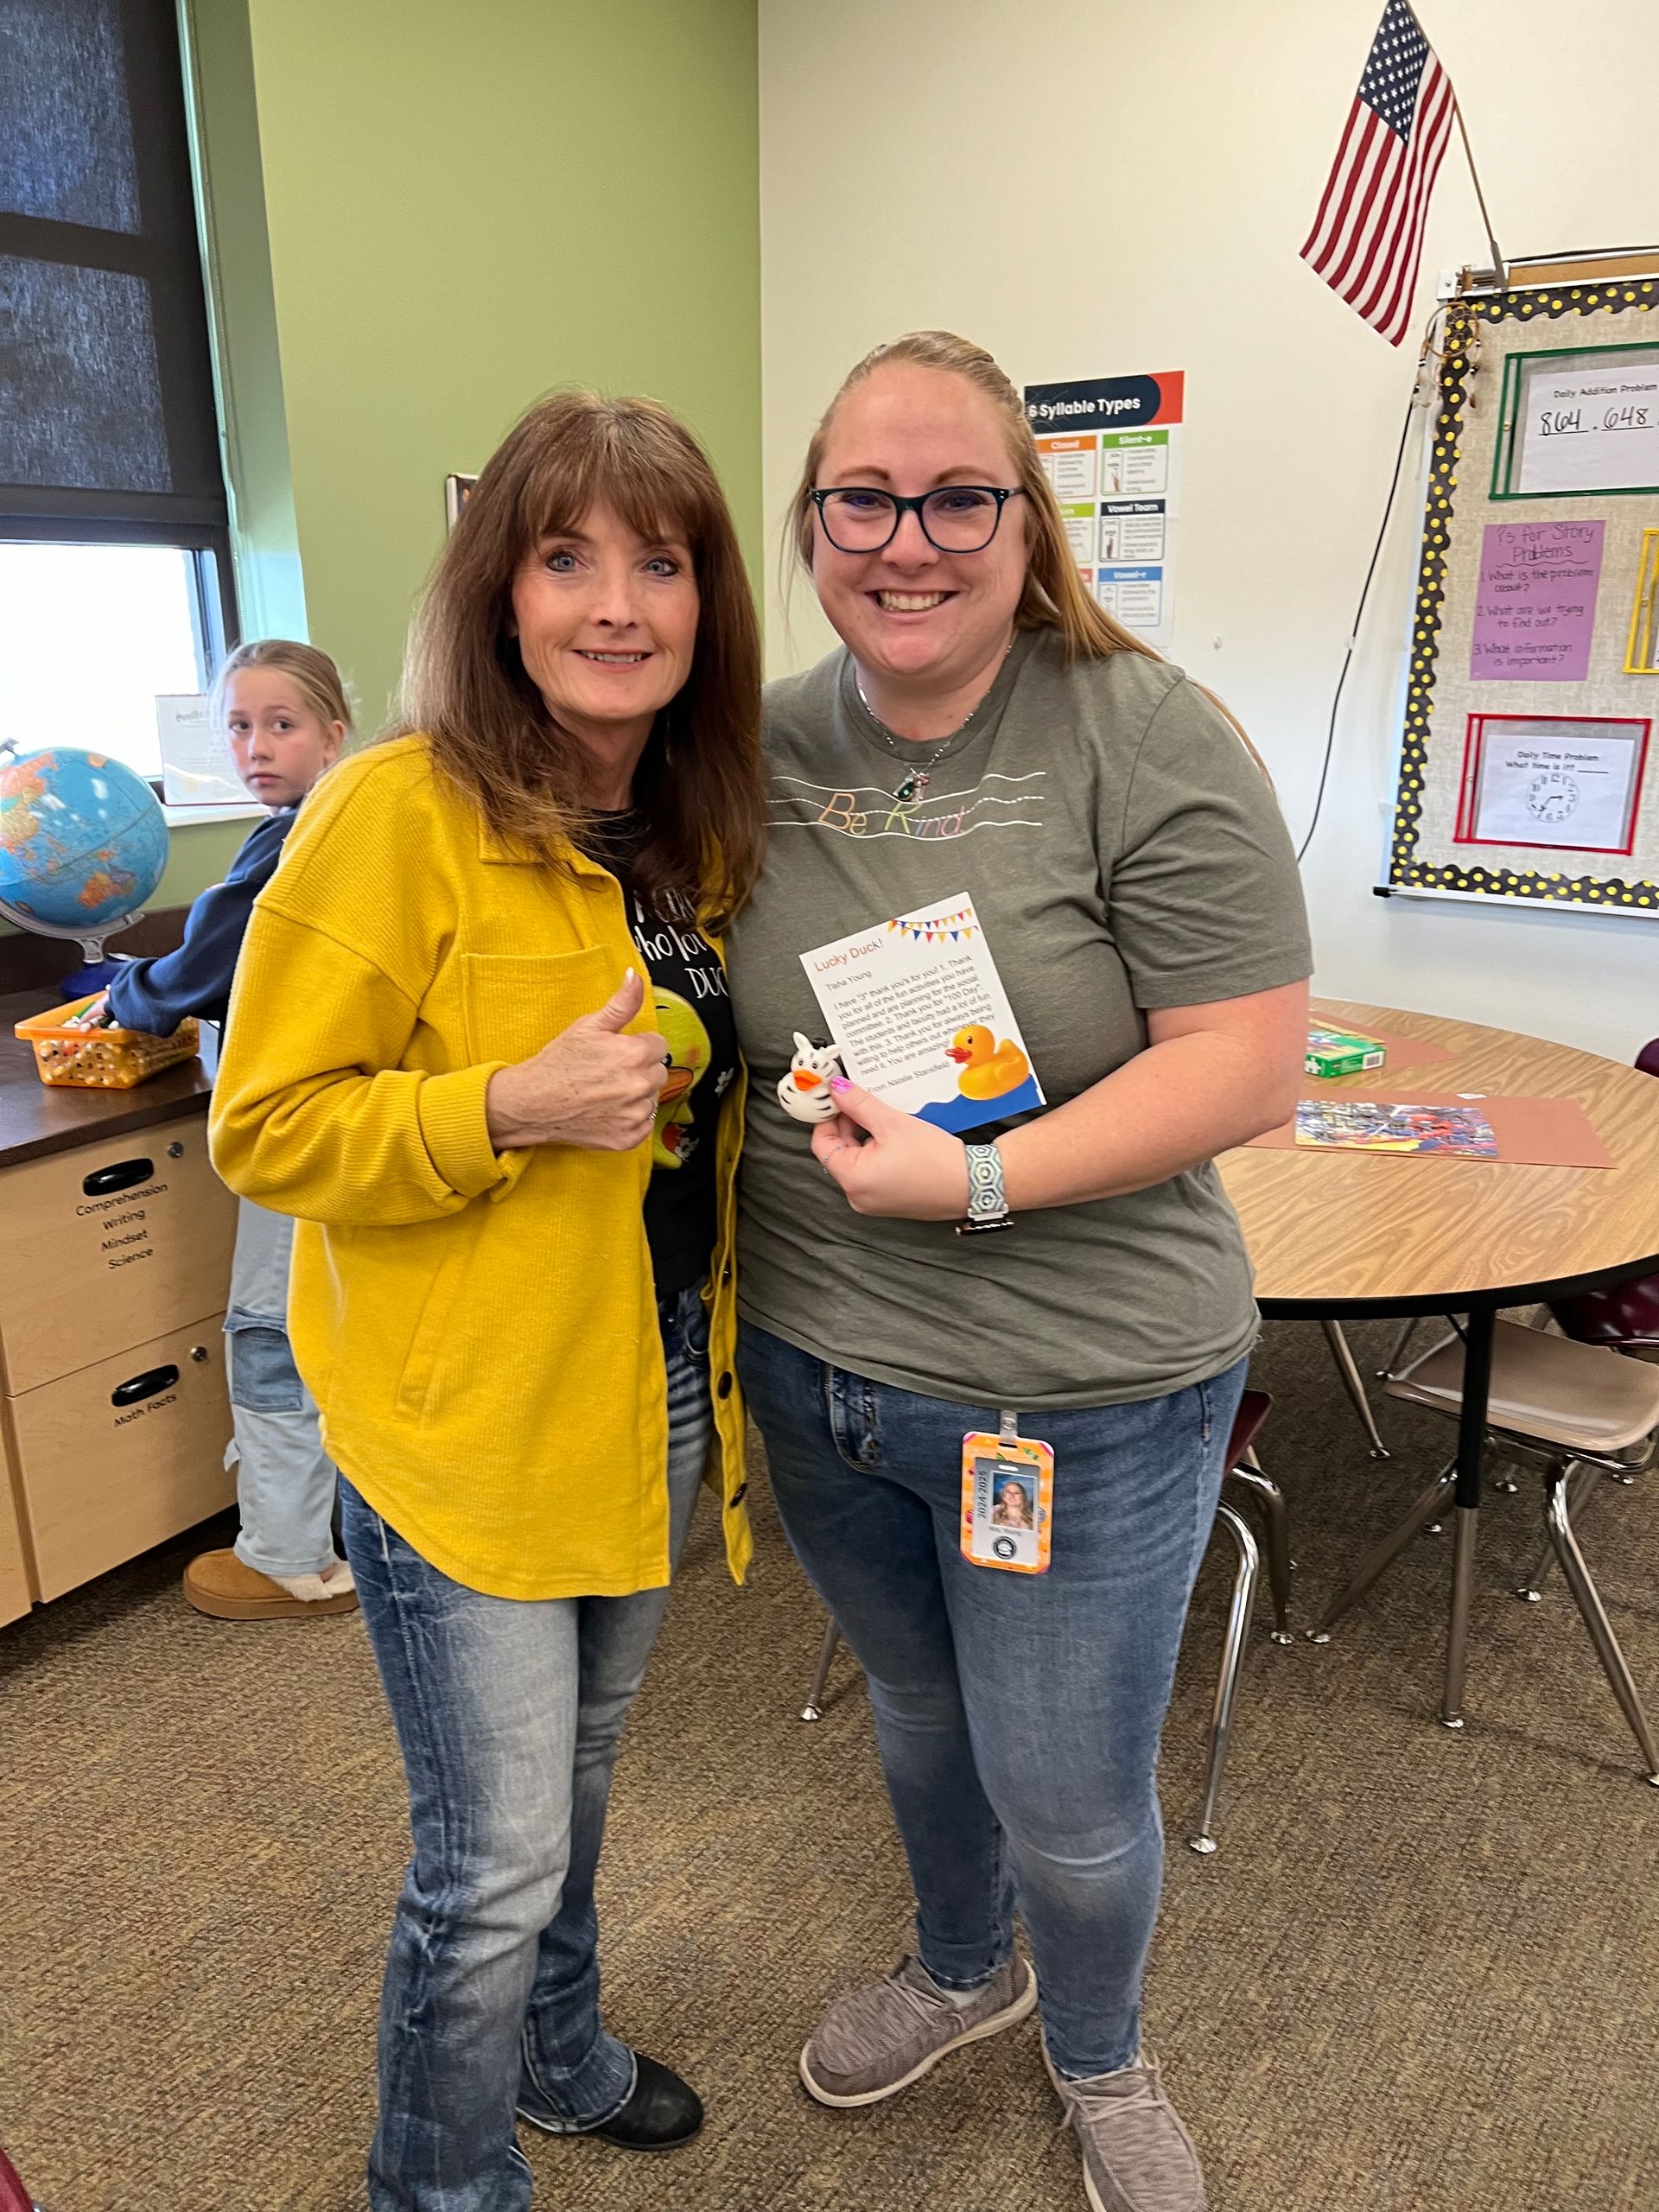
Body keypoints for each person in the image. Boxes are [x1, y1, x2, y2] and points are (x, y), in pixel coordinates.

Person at [725, 331, 1312, 2212]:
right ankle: (963, 1969)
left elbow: (1244, 1057)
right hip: (823, 1363)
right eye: (863, 500)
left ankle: (1099, 2044)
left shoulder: (1141, 729)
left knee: (1066, 1786)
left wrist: (976, 1180)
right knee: (917, 1716)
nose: (910, 541)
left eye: (958, 496)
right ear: (811, 520)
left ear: (1022, 516)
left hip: (1079, 1380)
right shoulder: (759, 745)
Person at [209, 390, 765, 2211]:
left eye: (661, 562)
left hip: (651, 1373)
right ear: (498, 591)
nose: (618, 603)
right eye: (566, 556)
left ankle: (557, 2048)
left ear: (707, 602)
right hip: (462, 1418)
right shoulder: (393, 810)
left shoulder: (684, 822)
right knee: (490, 1854)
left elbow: (672, 1083)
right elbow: (268, 1124)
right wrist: (506, 1106)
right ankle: (435, 2186)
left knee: (578, 1785)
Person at [102, 639, 353, 1619]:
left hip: (296, 1122)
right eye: (239, 726)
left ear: (332, 733)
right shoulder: (354, 818)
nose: (256, 747)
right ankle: (343, 1533)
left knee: (269, 1332)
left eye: (280, 725)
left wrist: (127, 995)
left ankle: (290, 1554)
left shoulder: (293, 837)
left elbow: (205, 959)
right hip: (352, 1116)